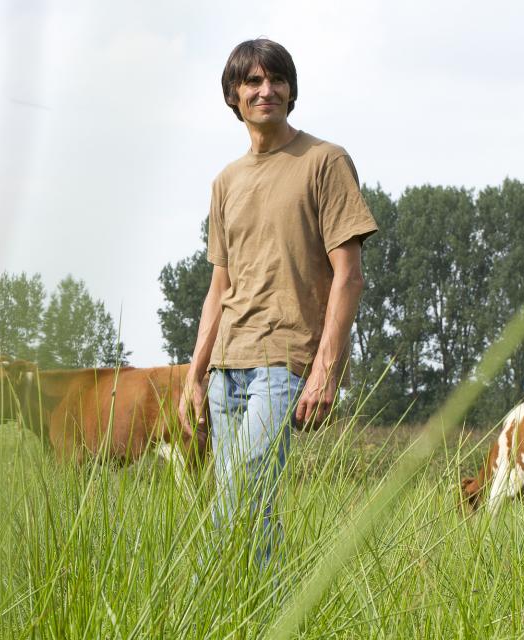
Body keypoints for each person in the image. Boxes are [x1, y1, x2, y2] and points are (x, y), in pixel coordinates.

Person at [178, 38, 378, 563]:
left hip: (284, 361)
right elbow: (220, 288)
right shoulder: (226, 181)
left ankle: (213, 602)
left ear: (291, 92)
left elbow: (349, 276)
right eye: (253, 82)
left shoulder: (324, 161)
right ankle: (257, 609)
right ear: (233, 96)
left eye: (277, 81)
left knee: (243, 486)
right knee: (247, 501)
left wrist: (325, 372)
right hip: (227, 364)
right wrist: (195, 375)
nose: (266, 91)